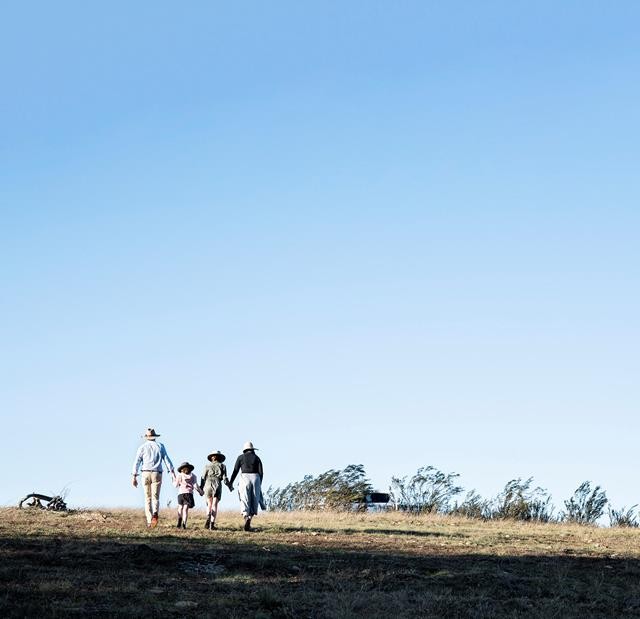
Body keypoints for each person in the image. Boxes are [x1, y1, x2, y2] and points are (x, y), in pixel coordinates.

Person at [131, 428, 175, 528]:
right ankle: (155, 512)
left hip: (145, 473)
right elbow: (166, 459)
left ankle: (149, 520)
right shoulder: (160, 446)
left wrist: (134, 476)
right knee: (156, 497)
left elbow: (137, 461)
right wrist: (172, 472)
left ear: (146, 437)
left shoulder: (142, 447)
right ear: (155, 437)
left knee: (147, 498)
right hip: (157, 473)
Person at [228, 441, 265, 531]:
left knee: (245, 499)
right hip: (255, 477)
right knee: (254, 499)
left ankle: (246, 517)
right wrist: (259, 484)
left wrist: (231, 482)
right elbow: (261, 472)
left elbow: (235, 470)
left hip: (244, 477)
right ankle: (249, 519)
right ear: (252, 449)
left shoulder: (241, 457)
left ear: (244, 450)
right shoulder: (257, 458)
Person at [200, 450, 231, 530]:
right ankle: (212, 524)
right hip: (217, 483)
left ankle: (208, 515)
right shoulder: (222, 466)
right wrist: (229, 486)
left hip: (208, 483)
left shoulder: (207, 466)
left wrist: (201, 487)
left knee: (209, 503)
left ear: (211, 458)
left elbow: (203, 477)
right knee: (215, 504)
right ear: (219, 458)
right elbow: (225, 478)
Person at [171, 462, 203, 529]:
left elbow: (175, 485)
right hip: (189, 494)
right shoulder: (193, 476)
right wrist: (200, 492)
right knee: (185, 509)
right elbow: (195, 485)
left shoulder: (179, 475)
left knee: (180, 507)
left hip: (181, 494)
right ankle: (184, 524)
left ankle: (179, 520)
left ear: (181, 469)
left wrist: (173, 477)